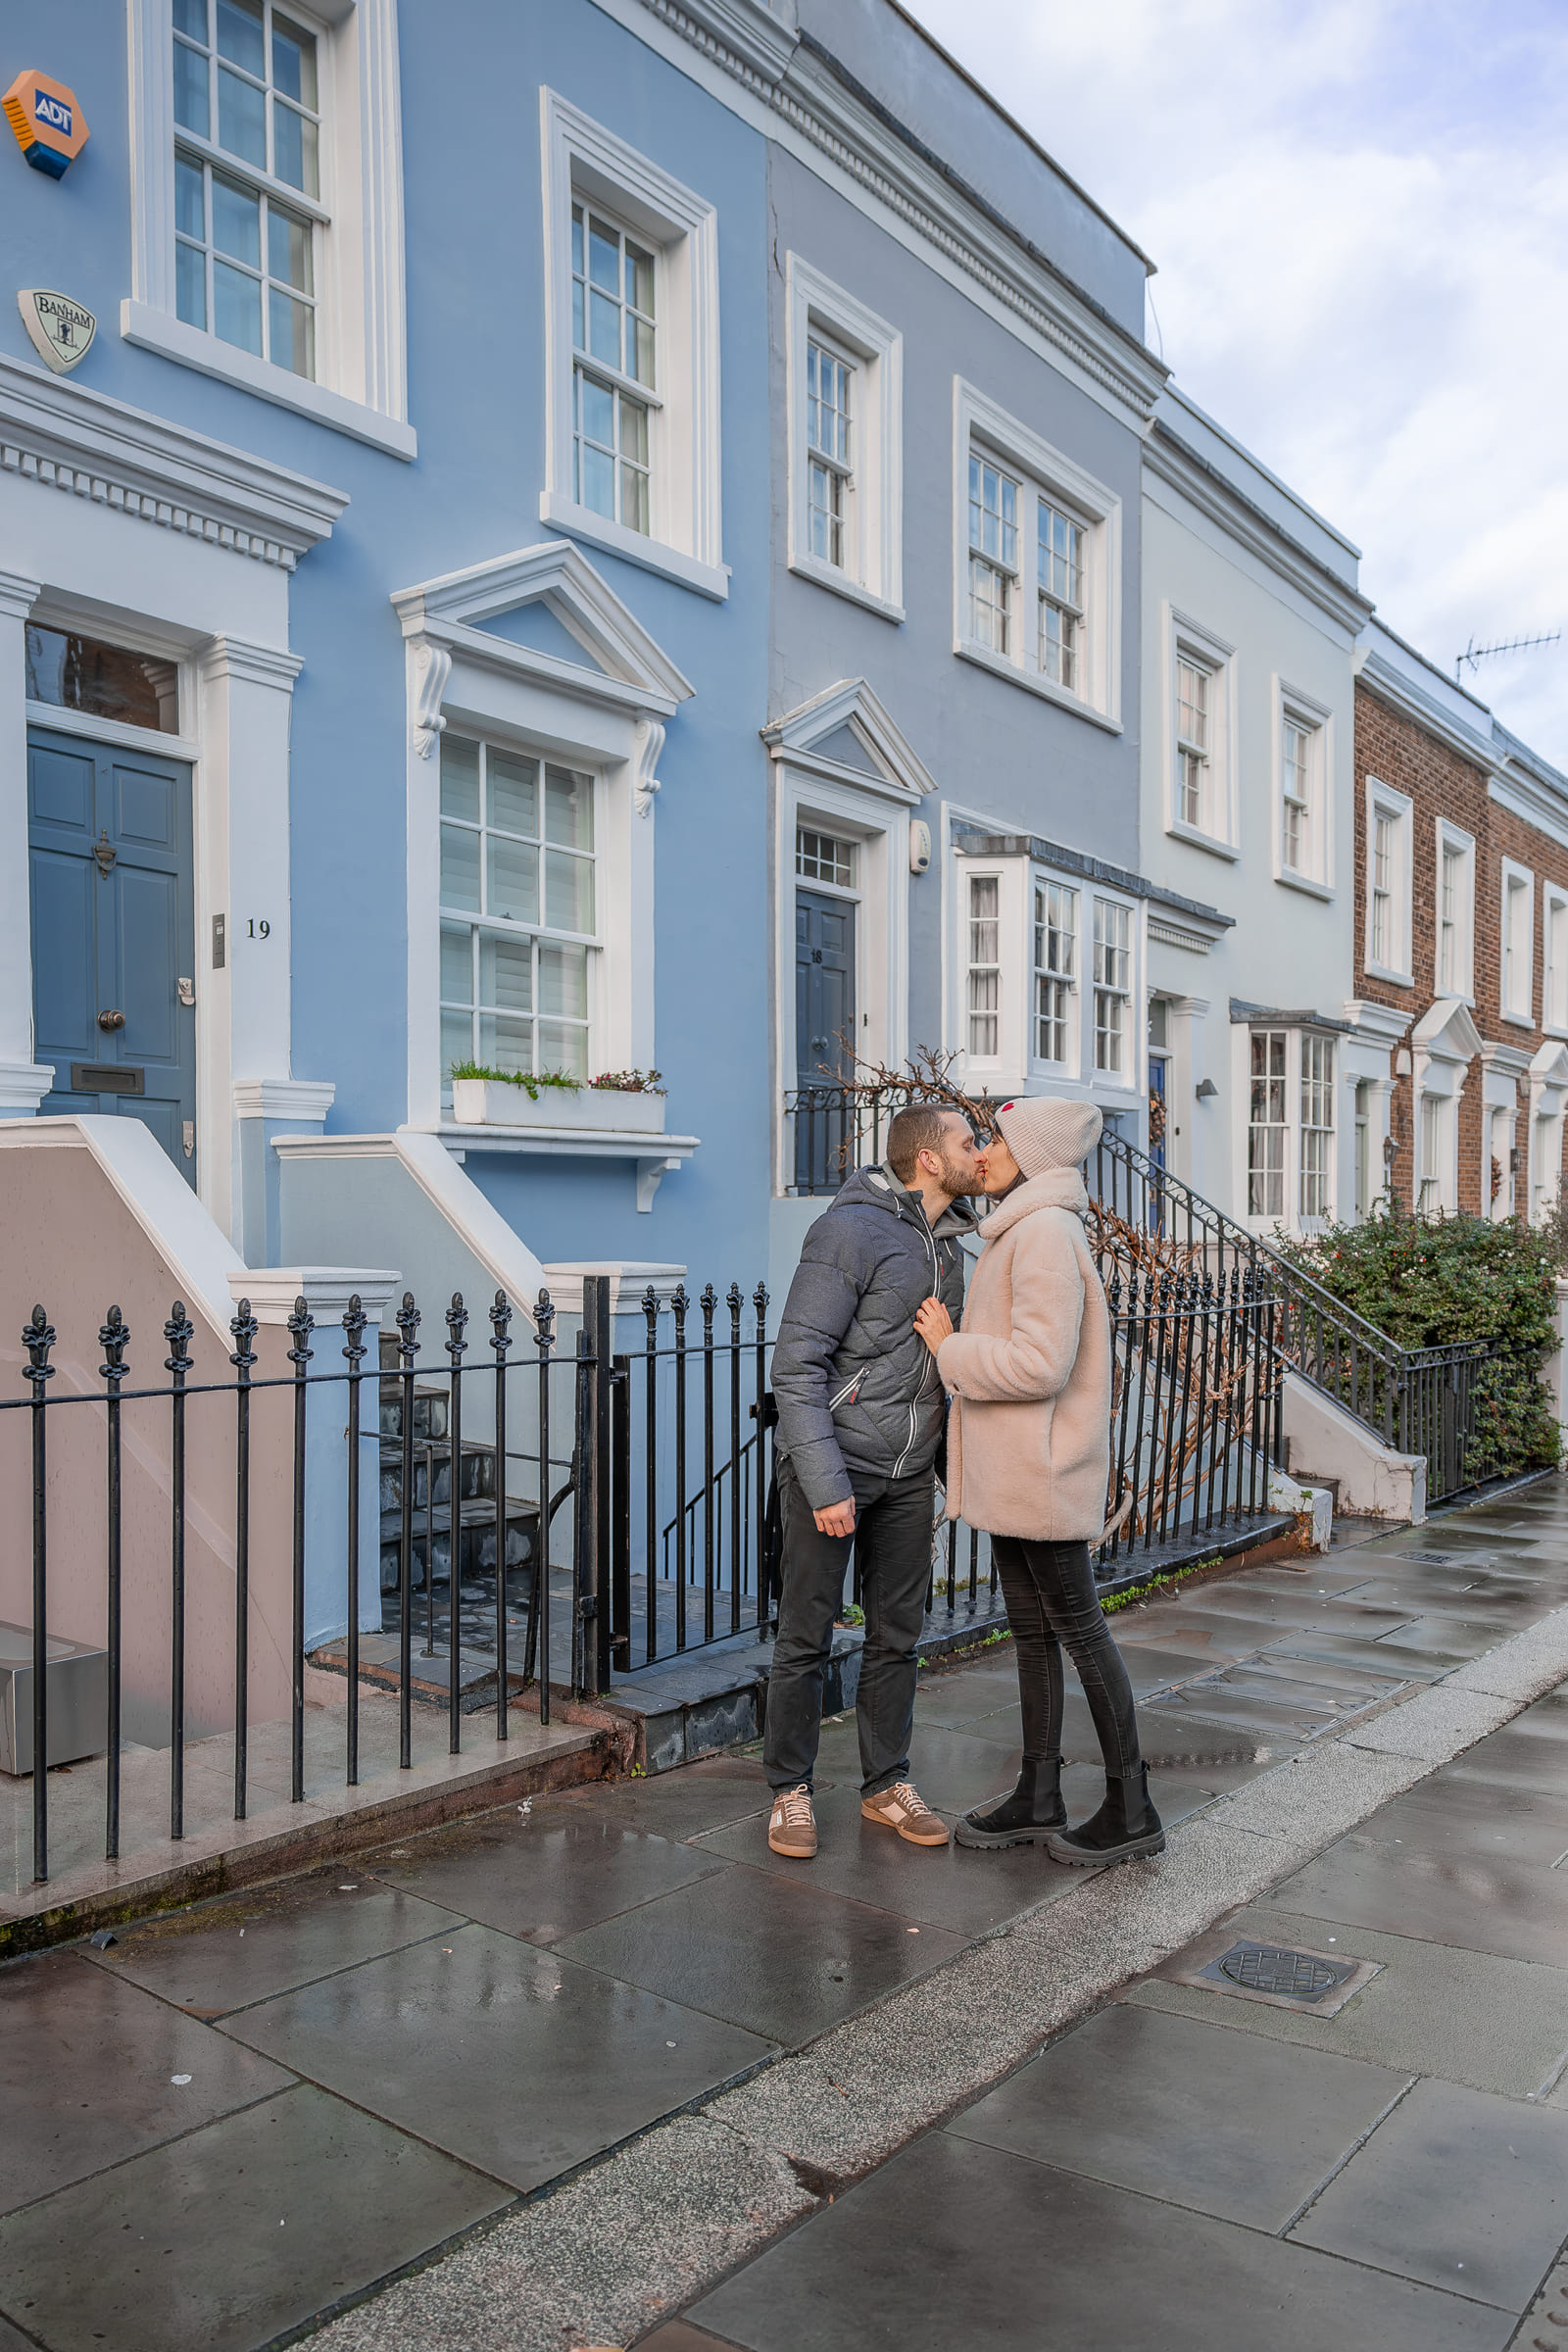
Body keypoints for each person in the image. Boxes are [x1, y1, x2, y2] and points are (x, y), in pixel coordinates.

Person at [913, 1096, 1164, 1866]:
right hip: (1020, 1475)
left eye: (993, 1140)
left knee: (1080, 1632)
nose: (980, 1152)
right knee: (1032, 1634)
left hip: (1044, 1474)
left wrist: (951, 1350)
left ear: (1032, 1155)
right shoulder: (1022, 1228)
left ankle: (1131, 1805)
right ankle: (1039, 1792)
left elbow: (1038, 1365)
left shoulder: (1047, 1235)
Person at [763, 1103, 979, 1860]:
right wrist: (824, 1486)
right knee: (805, 1639)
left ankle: (886, 1782)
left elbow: (938, 1368)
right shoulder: (849, 1231)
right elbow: (796, 1368)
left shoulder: (951, 1244)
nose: (977, 1154)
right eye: (966, 1142)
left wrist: (948, 1473)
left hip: (908, 1473)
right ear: (927, 1157)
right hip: (838, 1467)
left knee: (898, 1637)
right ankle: (789, 1791)